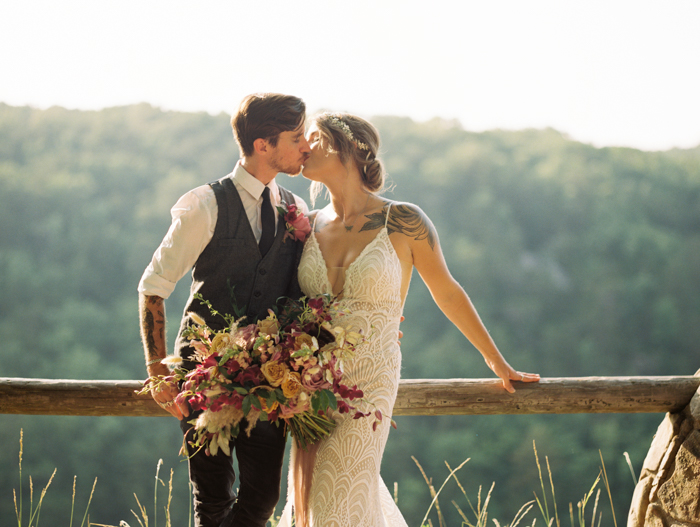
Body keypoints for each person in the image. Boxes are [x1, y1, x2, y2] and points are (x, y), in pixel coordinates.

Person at [278, 112, 540, 526]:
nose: (303, 146)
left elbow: (447, 292)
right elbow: (285, 305)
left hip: (369, 382)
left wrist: (495, 360)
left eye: (313, 137)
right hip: (311, 385)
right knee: (313, 502)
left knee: (338, 498)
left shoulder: (405, 220)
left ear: (347, 147)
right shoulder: (305, 226)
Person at [138, 93, 311, 527]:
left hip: (269, 383)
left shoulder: (296, 208)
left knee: (262, 500)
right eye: (295, 137)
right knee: (212, 499)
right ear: (262, 145)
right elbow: (153, 287)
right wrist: (159, 372)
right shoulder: (204, 205)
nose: (306, 145)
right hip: (203, 377)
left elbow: (302, 295)